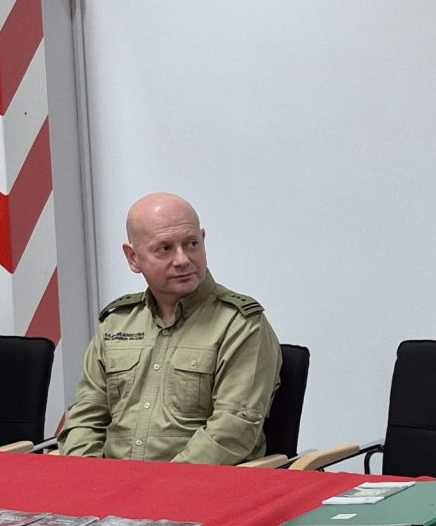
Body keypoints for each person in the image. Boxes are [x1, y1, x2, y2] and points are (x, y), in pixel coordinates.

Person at [56, 193, 281, 464]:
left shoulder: (239, 324)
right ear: (133, 258)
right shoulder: (117, 323)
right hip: (110, 483)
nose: (182, 259)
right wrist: (86, 474)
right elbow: (86, 417)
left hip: (198, 483)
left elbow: (232, 432)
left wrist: (161, 483)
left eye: (192, 244)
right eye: (165, 248)